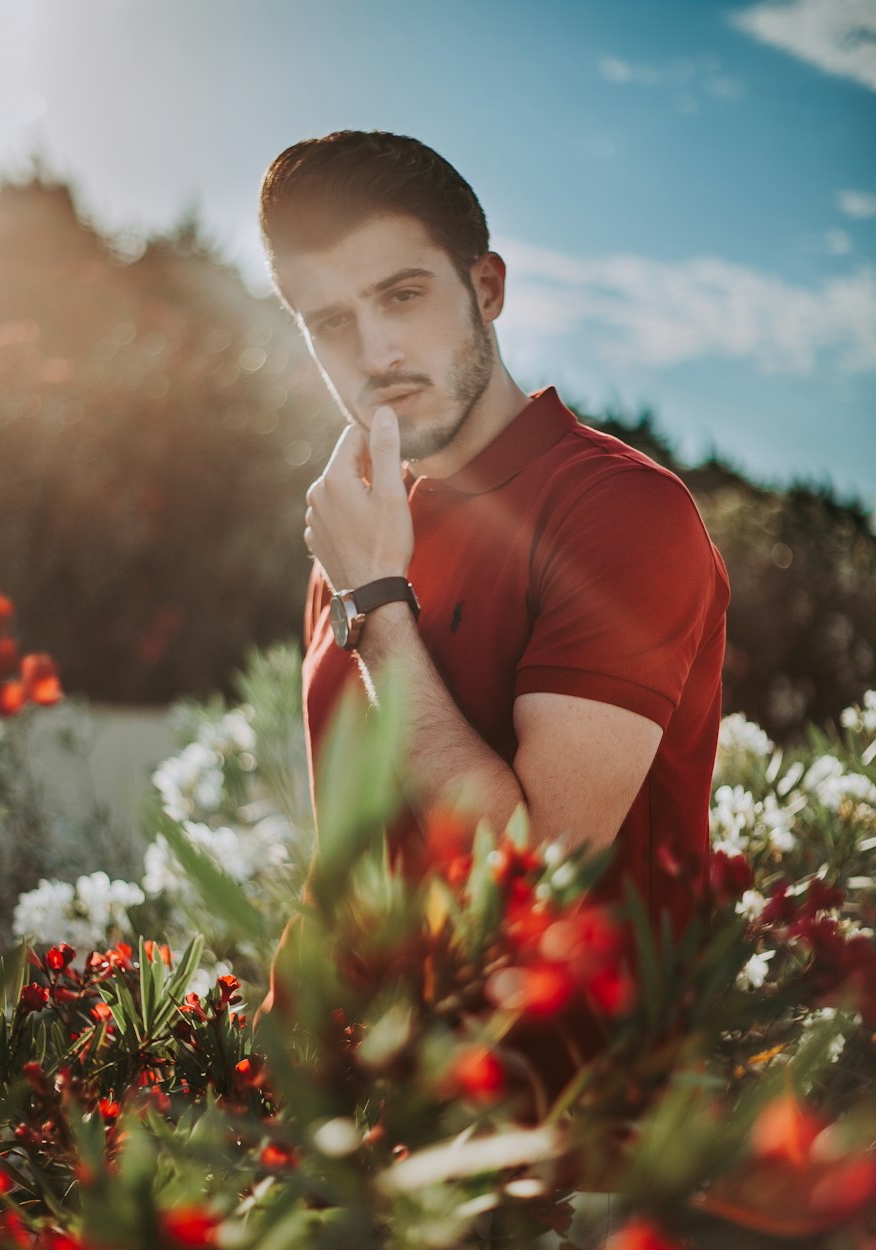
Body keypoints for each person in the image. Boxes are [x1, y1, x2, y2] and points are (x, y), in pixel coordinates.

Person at [258, 129, 729, 953]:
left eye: (403, 295)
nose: (375, 354)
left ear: (488, 287)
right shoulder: (356, 529)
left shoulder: (622, 512)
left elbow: (535, 883)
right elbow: (346, 865)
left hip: (563, 1082)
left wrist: (375, 603)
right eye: (331, 322)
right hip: (339, 1075)